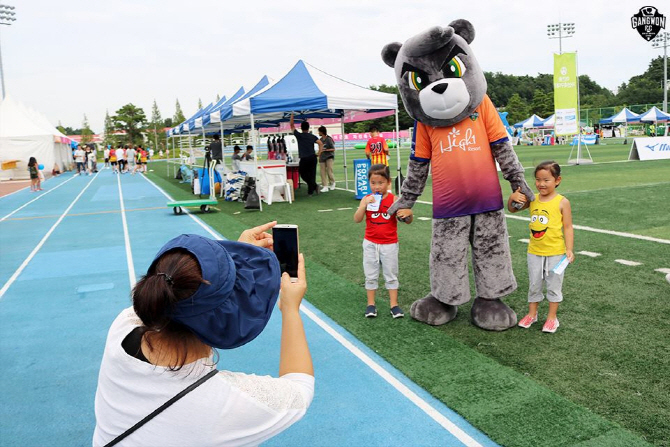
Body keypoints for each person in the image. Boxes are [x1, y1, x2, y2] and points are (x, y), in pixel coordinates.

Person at [93, 222, 314, 446]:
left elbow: (179, 290)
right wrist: (290, 309)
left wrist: (223, 265)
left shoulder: (123, 326)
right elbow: (300, 388)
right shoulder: (227, 405)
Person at [508, 161, 574, 334]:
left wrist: (569, 249)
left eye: (546, 180)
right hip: (534, 252)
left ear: (557, 180)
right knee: (534, 284)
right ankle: (532, 314)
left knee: (553, 285)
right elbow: (513, 209)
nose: (541, 184)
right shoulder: (533, 199)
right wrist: (512, 198)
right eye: (538, 180)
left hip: (556, 253)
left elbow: (567, 227)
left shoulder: (562, 202)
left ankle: (552, 318)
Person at [353, 164, 413, 319]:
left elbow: (407, 221)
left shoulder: (394, 200)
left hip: (389, 244)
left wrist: (409, 213)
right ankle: (370, 305)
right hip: (370, 243)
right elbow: (357, 219)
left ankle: (394, 305)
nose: (377, 187)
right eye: (373, 183)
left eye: (380, 183)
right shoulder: (367, 199)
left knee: (391, 274)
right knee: (370, 274)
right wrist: (363, 206)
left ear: (388, 182)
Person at [290, 113, 323, 196]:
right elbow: (320, 143)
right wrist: (319, 153)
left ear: (301, 128)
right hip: (312, 157)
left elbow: (292, 126)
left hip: (304, 158)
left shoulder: (299, 136)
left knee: (303, 173)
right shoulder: (312, 136)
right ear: (308, 128)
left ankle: (313, 188)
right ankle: (312, 189)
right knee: (312, 174)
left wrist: (292, 117)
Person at [317, 126, 336, 192]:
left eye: (319, 131)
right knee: (322, 172)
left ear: (322, 132)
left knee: (329, 171)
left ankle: (332, 182)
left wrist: (326, 150)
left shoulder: (329, 139)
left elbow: (333, 149)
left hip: (329, 157)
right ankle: (325, 186)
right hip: (322, 157)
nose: (318, 133)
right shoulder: (320, 140)